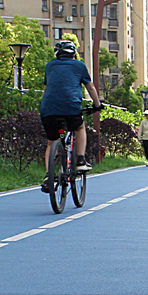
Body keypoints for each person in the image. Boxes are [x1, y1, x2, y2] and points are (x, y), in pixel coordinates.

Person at [40, 40, 102, 192]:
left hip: (48, 108)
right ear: (73, 54)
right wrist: (97, 104)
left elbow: (46, 89)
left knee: (51, 142)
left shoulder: (50, 66)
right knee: (80, 127)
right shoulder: (79, 66)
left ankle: (49, 175)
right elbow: (91, 87)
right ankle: (80, 159)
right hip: (70, 107)